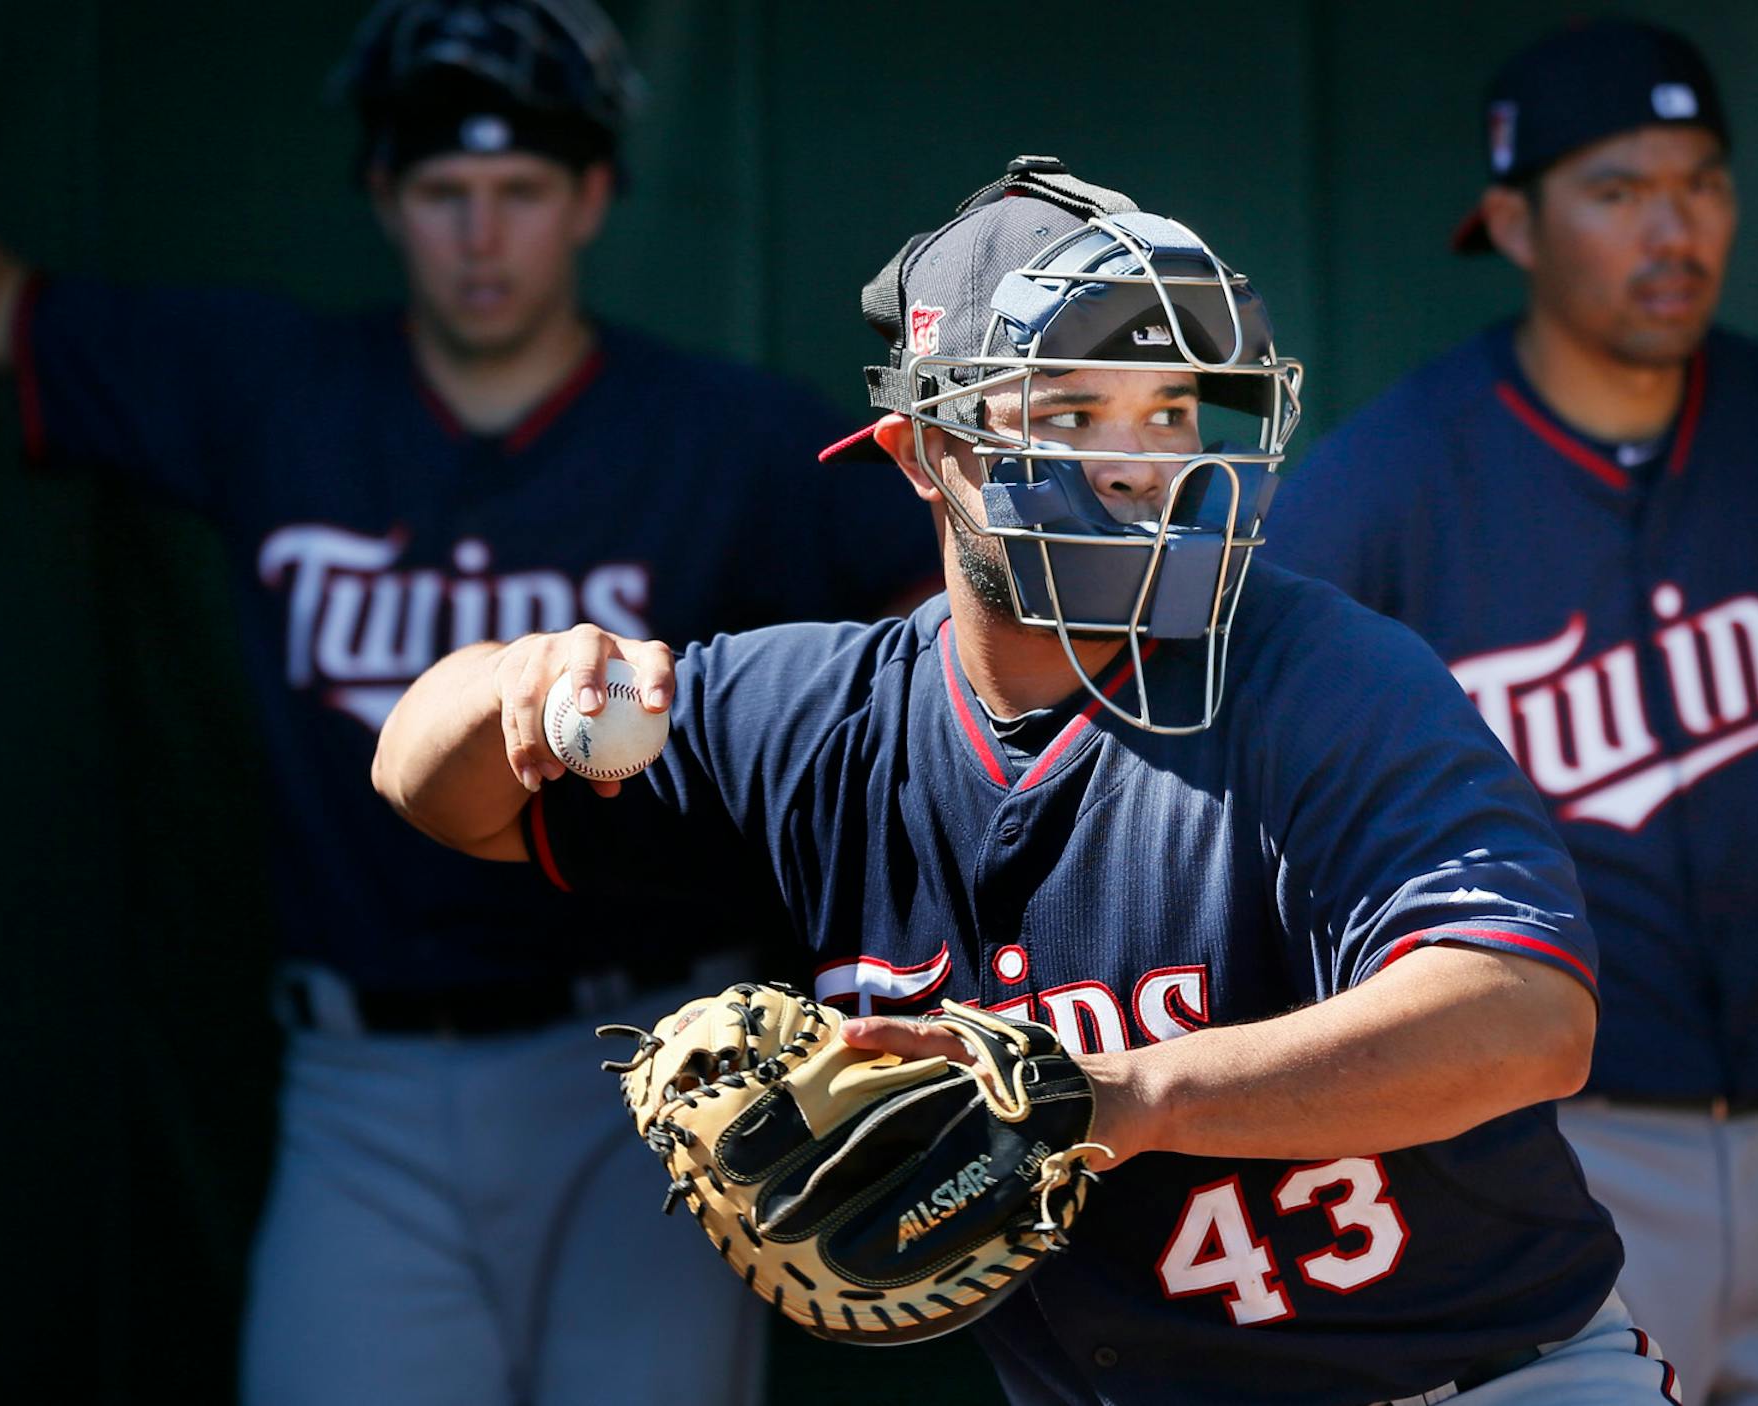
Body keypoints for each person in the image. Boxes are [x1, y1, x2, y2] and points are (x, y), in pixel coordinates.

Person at [372, 155, 1690, 1406]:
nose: (1138, 458)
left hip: (1480, 1371)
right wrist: (509, 685)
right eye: (1067, 410)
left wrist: (1127, 1094)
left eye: (1175, 407)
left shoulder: (1321, 671)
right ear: (916, 452)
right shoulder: (823, 722)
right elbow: (430, 787)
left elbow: (1527, 1017)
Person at [0, 2, 934, 1403]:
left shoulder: (726, 433)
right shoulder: (274, 392)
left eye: (520, 190)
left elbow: (943, 624)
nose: (482, 234)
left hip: (654, 1067)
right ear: (383, 198)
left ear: (590, 197)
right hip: (363, 1085)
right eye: (444, 192)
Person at [1265, 19, 1758, 1404]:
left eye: (1704, 181)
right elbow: (1258, 839)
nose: (1674, 228)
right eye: (1618, 190)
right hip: (1548, 1146)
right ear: (1512, 221)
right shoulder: (1384, 489)